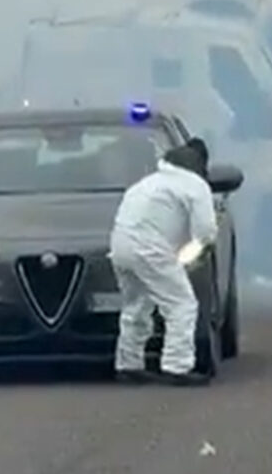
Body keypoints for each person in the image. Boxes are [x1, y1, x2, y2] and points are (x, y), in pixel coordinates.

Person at [109, 137, 218, 386]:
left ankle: (128, 364)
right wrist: (199, 249)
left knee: (136, 305)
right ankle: (176, 366)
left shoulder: (145, 184)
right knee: (182, 305)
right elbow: (205, 231)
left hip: (120, 246)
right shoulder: (195, 185)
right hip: (152, 250)